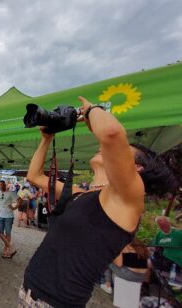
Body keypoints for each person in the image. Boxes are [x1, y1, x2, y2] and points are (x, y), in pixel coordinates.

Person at [21, 97, 179, 307]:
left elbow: (111, 134)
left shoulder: (127, 199)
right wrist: (47, 138)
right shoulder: (83, 193)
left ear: (137, 167)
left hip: (57, 302)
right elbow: (34, 176)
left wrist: (91, 110)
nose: (104, 148)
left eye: (125, 150)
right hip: (29, 290)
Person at [0, 181, 17, 258]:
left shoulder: (11, 193)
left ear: (5, 185)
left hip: (9, 217)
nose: (1, 186)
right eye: (0, 185)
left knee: (8, 234)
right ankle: (11, 247)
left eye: (3, 185)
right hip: (1, 216)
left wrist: (14, 208)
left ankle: (6, 252)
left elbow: (20, 200)